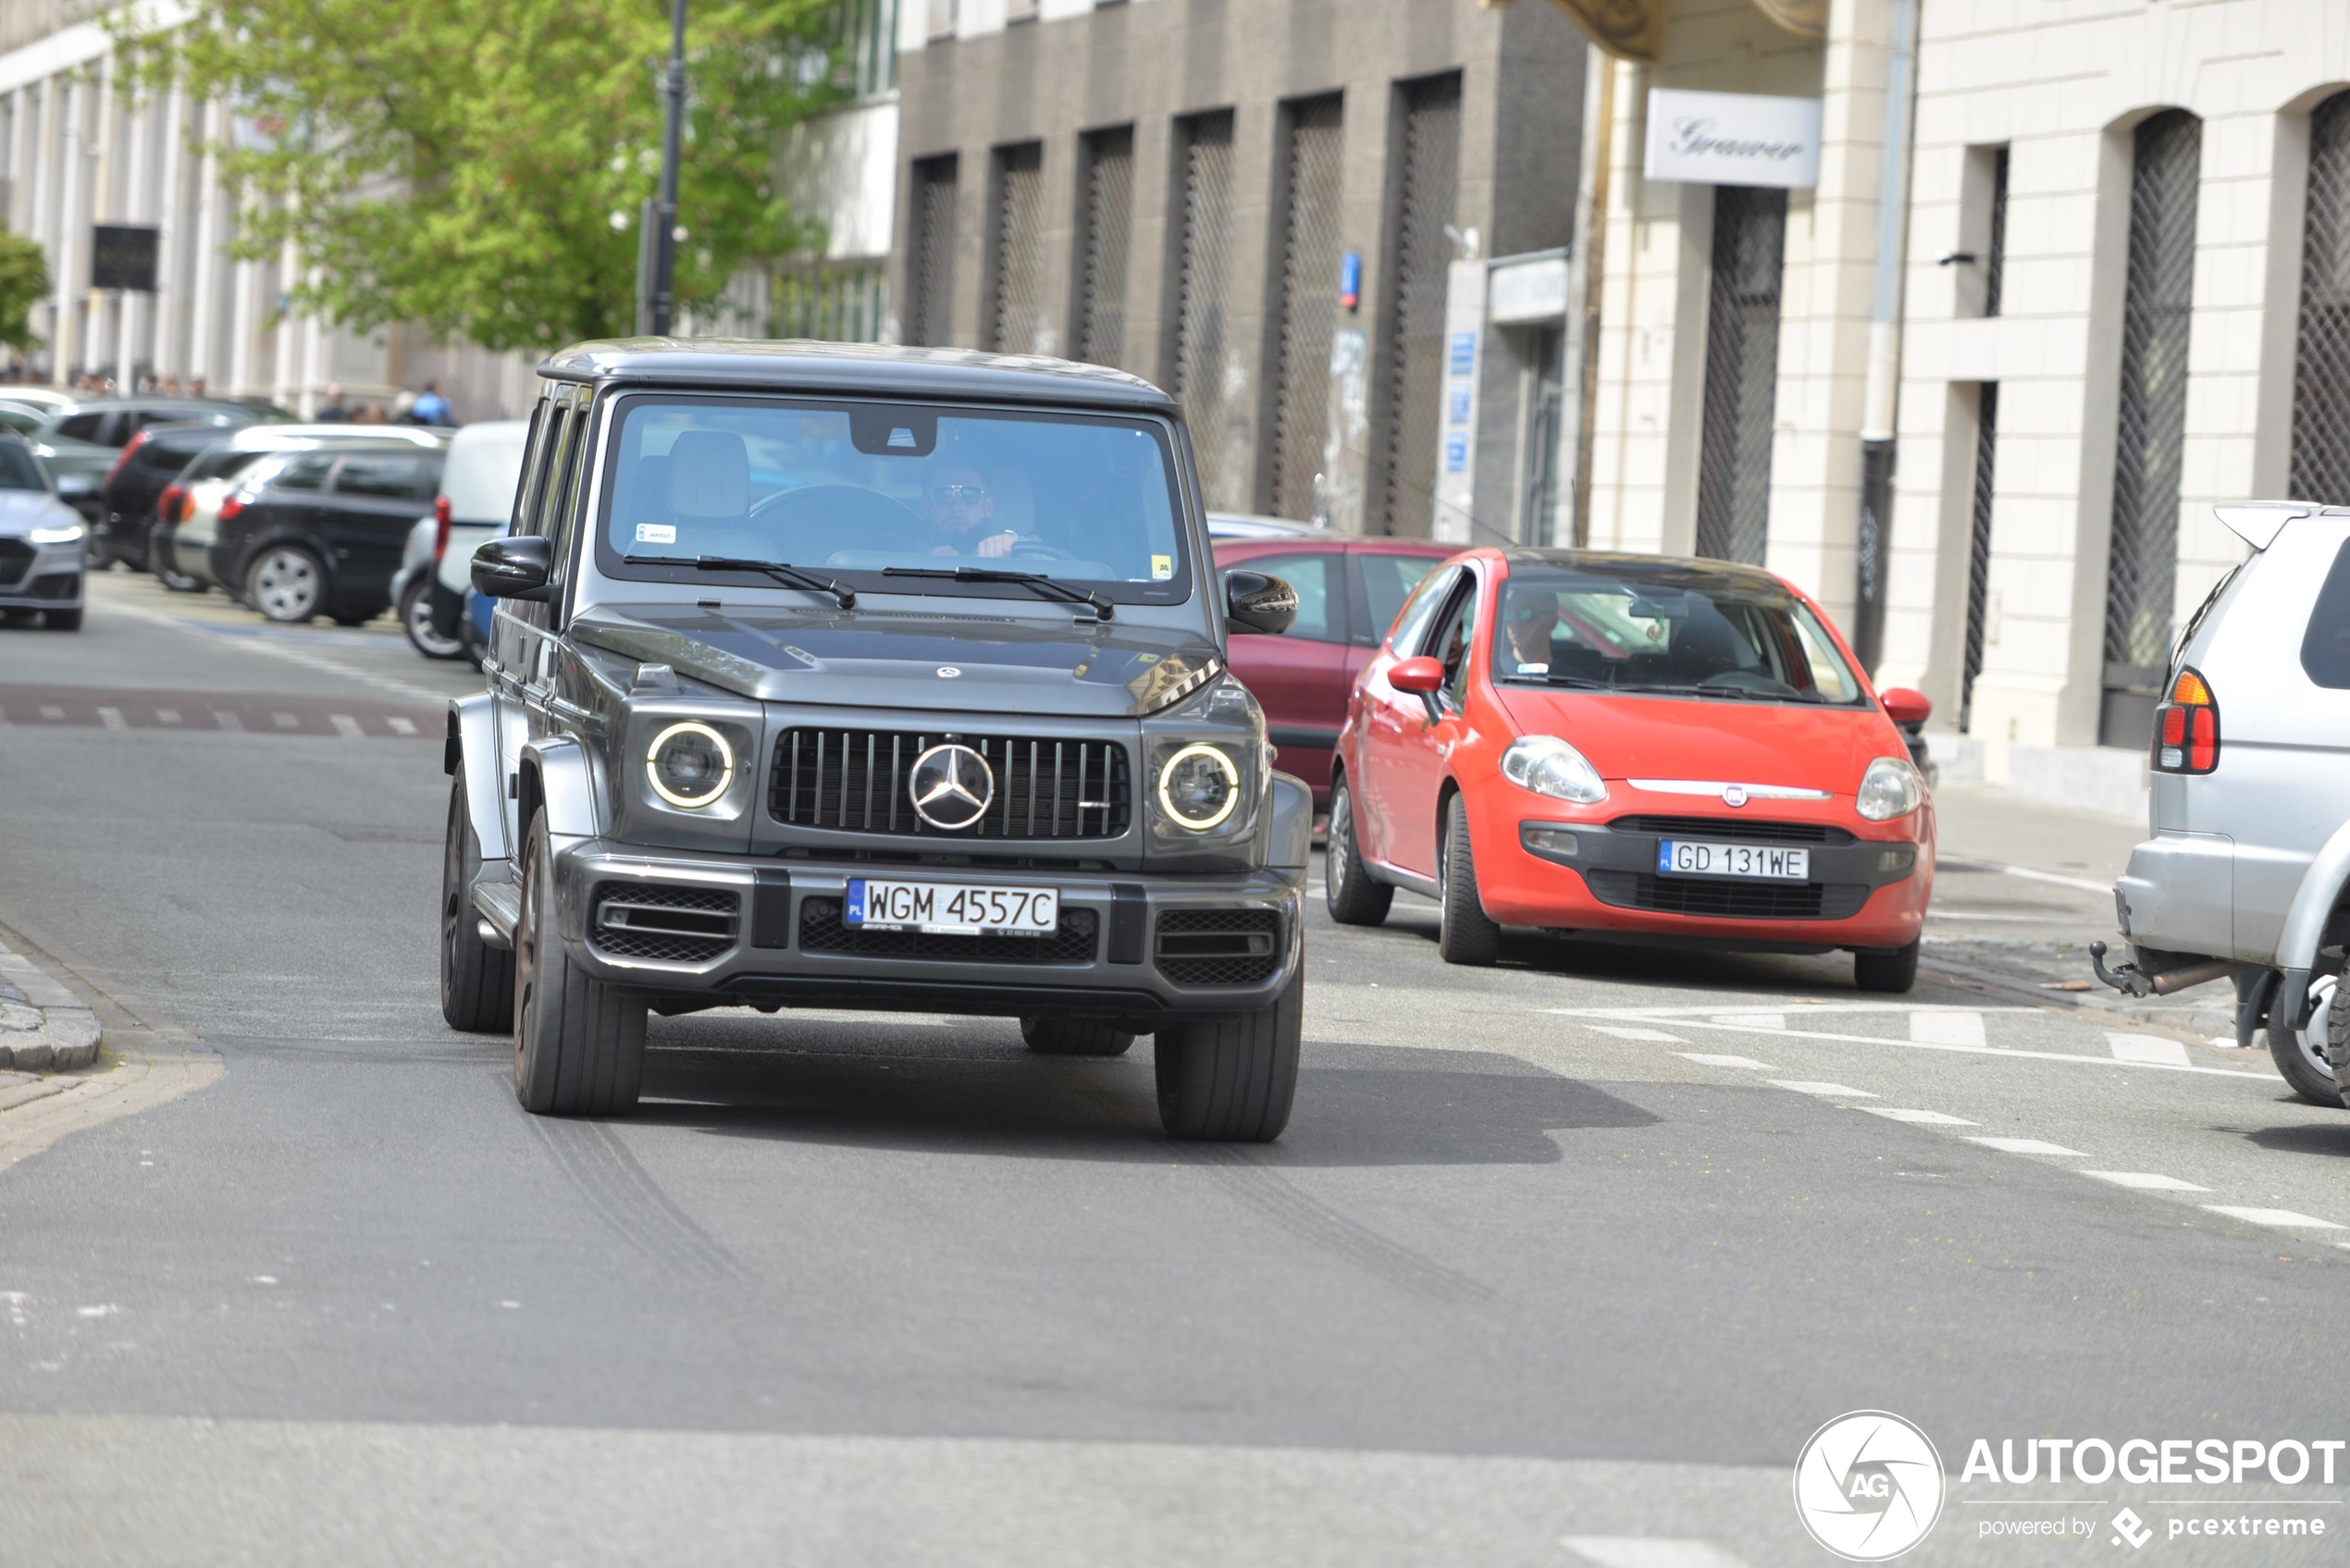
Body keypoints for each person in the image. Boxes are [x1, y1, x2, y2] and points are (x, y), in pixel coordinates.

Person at [924, 462, 1017, 558]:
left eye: (970, 495)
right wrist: (923, 566)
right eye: (943, 495)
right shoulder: (908, 558)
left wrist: (1015, 545)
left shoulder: (1013, 556)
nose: (957, 507)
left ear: (988, 506)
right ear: (925, 506)